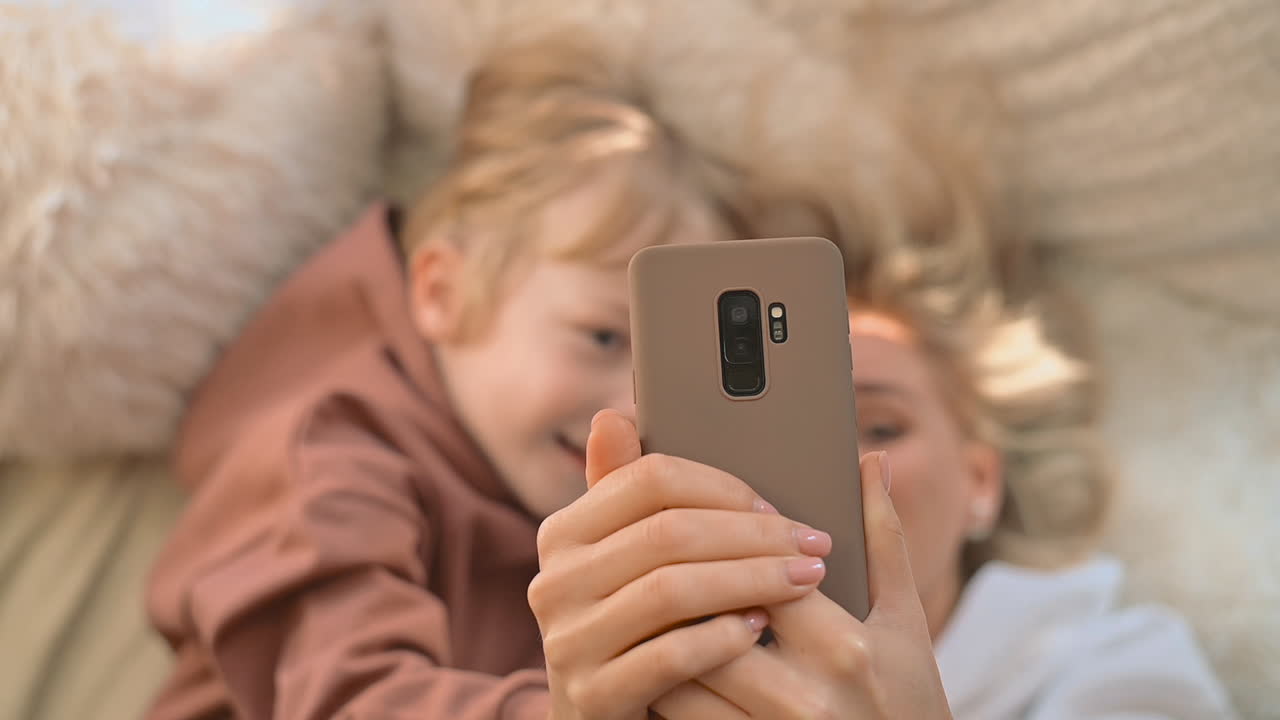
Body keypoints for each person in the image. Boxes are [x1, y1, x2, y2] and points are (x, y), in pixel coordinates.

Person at [145, 34, 1234, 720]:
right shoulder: (327, 456)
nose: (621, 407)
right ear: (440, 289)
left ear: (985, 477)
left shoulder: (1100, 662)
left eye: (879, 418)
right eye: (603, 340)